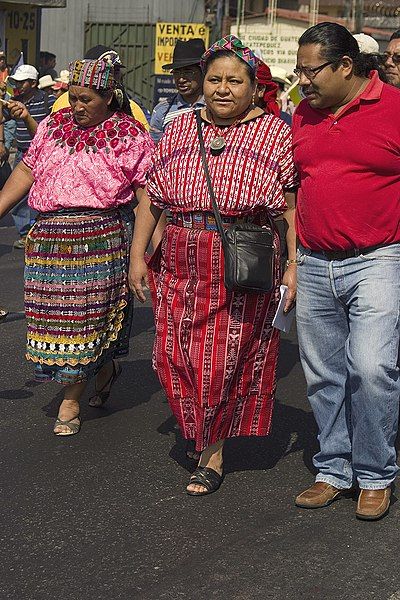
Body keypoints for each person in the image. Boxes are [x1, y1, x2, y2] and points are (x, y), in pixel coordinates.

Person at [130, 35, 298, 496]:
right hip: (180, 254)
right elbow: (153, 199)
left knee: (222, 360)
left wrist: (293, 265)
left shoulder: (275, 132)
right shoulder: (181, 127)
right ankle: (201, 425)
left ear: (253, 87)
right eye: (214, 79)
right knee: (171, 355)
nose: (223, 88)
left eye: (234, 81)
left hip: (243, 255)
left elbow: (289, 208)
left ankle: (213, 452)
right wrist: (138, 257)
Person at [0, 58, 156, 436]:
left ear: (108, 96)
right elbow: (26, 169)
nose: (77, 107)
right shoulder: (54, 126)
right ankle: (103, 367)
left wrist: (143, 255)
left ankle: (71, 400)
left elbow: (148, 198)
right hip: (49, 243)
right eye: (72, 98)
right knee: (56, 326)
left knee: (82, 325)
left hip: (99, 241)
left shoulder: (130, 135)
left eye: (85, 99)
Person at [292, 22, 400, 521]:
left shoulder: (396, 109)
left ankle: (376, 472)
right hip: (314, 261)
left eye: (311, 71)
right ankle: (333, 468)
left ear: (345, 66)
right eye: (299, 72)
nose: (303, 81)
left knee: (373, 368)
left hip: (379, 258)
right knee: (323, 375)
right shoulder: (302, 116)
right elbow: (294, 183)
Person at [4, 64, 55, 248]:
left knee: (42, 195)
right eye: (16, 81)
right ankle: (26, 233)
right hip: (22, 154)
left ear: (33, 83)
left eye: (22, 82)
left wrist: (26, 117)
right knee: (18, 198)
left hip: (43, 154)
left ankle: (39, 231)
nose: (18, 85)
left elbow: (46, 133)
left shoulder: (47, 101)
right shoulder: (14, 101)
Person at [52, 46, 150, 131]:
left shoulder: (132, 108)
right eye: (106, 71)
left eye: (115, 71)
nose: (78, 108)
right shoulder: (63, 104)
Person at [150, 38, 206, 142]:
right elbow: (155, 150)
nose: (181, 79)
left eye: (188, 72)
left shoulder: (215, 107)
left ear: (203, 72)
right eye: (176, 73)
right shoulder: (162, 111)